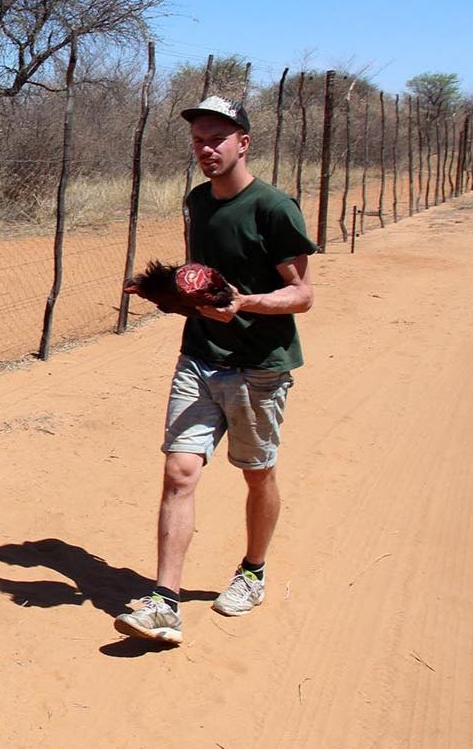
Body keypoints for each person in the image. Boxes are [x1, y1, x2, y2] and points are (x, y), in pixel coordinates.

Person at [113, 95, 318, 645]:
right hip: (200, 357)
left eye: (217, 138)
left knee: (257, 474)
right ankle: (164, 602)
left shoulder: (275, 208)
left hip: (260, 368)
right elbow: (199, 276)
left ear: (243, 143)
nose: (206, 148)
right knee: (180, 472)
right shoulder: (197, 201)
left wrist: (243, 303)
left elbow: (301, 295)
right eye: (199, 139)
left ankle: (252, 570)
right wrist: (164, 289)